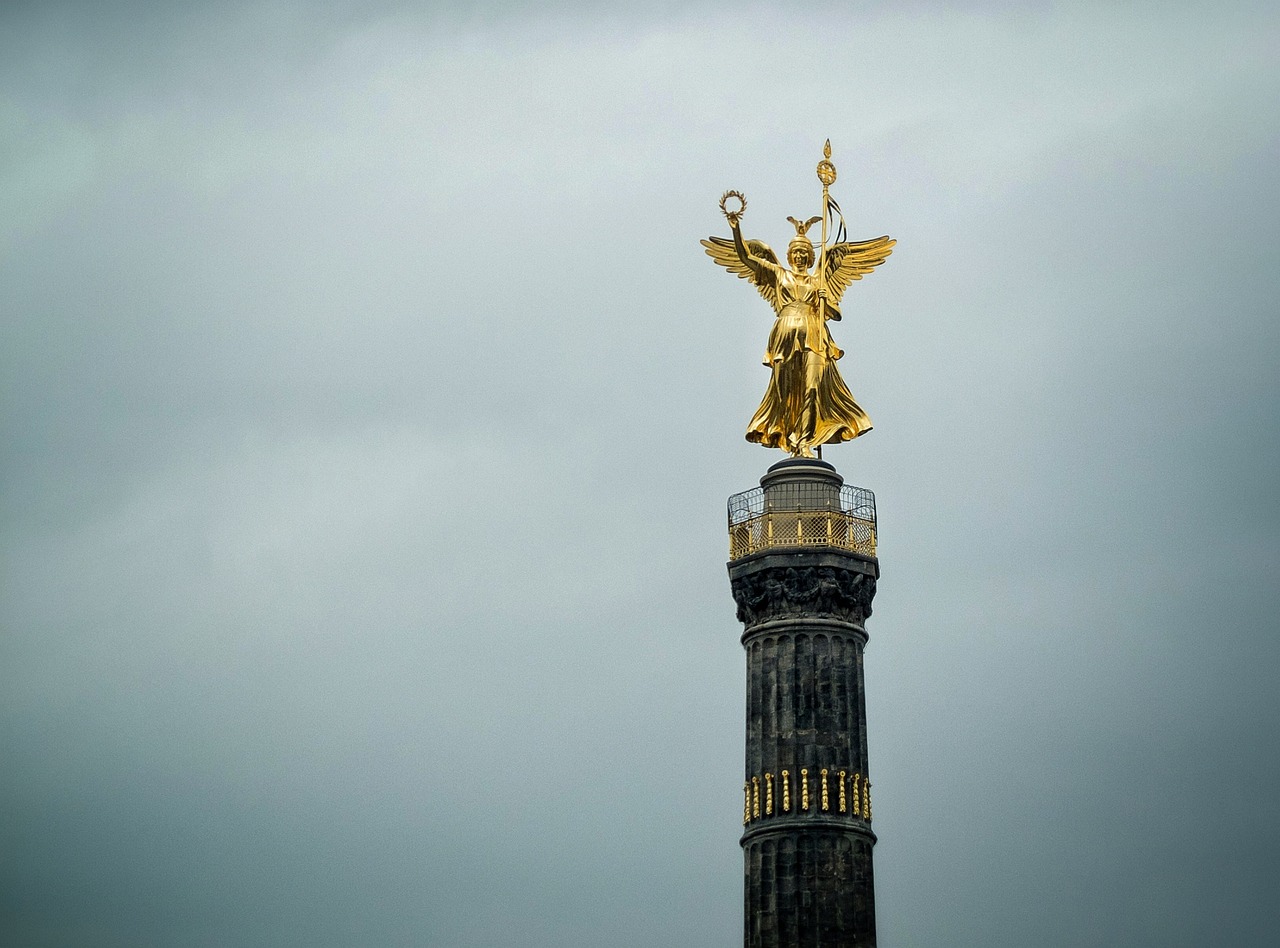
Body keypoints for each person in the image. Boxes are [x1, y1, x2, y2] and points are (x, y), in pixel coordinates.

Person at [703, 213, 893, 458]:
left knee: (813, 388)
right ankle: (789, 439)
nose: (801, 256)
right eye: (797, 252)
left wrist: (825, 299)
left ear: (810, 256)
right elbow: (746, 256)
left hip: (815, 335)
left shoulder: (820, 279)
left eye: (805, 253)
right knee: (785, 392)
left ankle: (804, 442)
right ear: (790, 255)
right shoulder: (777, 274)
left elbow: (836, 314)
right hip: (784, 336)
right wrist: (735, 228)